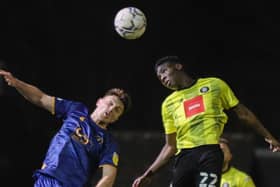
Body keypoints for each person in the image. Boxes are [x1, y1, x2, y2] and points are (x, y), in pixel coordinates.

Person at [132, 56, 280, 187]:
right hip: (184, 157)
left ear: (178, 66)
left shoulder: (214, 85)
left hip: (209, 153)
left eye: (164, 71)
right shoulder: (168, 104)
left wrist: (268, 136)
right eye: (159, 77)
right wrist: (149, 174)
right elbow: (170, 146)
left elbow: (244, 114)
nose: (162, 78)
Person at [0, 69, 132, 187]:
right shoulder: (76, 110)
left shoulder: (109, 142)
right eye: (110, 103)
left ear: (117, 118)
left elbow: (108, 177)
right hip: (45, 179)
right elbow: (41, 98)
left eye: (117, 110)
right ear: (99, 101)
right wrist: (17, 83)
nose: (111, 109)